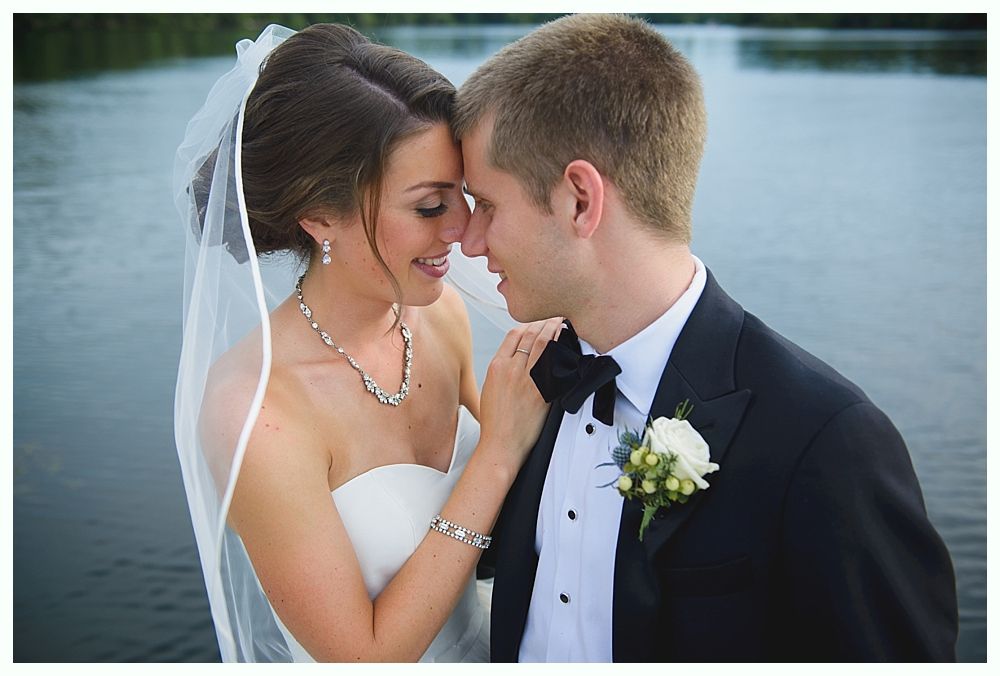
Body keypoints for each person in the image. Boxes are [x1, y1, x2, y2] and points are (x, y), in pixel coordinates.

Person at [454, 13, 958, 662]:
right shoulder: (530, 381)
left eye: (487, 206)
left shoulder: (827, 443)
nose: (468, 240)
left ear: (580, 199)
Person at [173, 23, 560, 662]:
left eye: (463, 195)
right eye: (431, 207)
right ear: (320, 215)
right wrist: (496, 452)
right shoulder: (255, 410)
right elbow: (363, 657)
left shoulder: (440, 318)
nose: (465, 231)